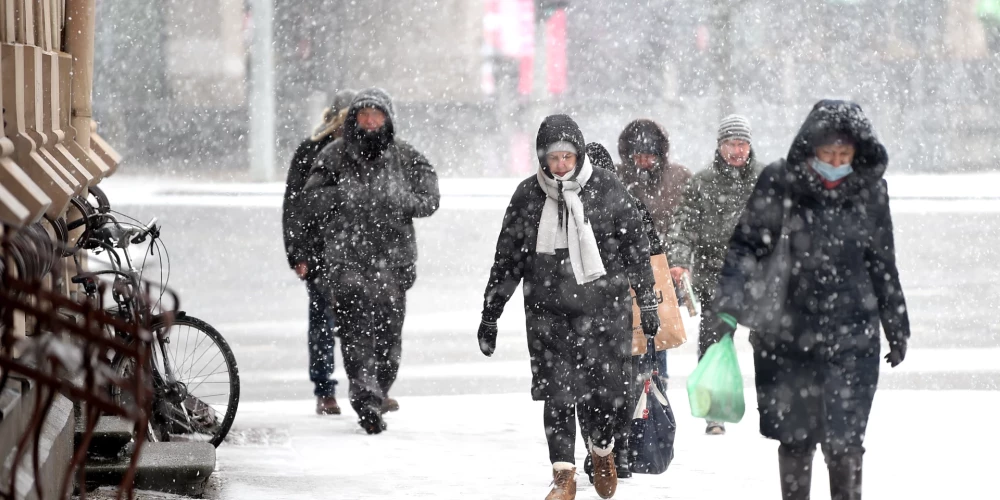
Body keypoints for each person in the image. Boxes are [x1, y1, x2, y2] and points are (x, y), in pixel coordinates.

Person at [709, 100, 910, 500]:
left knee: (845, 441)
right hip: (788, 333)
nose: (835, 163)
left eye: (844, 155)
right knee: (796, 439)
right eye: (827, 154)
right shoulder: (779, 182)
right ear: (810, 148)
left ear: (858, 153)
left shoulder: (870, 191)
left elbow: (882, 260)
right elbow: (745, 247)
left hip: (852, 335)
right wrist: (728, 306)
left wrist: (896, 323)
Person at [476, 115, 659, 500]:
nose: (561, 165)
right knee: (558, 396)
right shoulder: (528, 196)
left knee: (606, 396)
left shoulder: (607, 189)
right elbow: (507, 259)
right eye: (553, 157)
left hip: (604, 314)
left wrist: (647, 302)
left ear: (578, 153)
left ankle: (603, 450)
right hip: (548, 314)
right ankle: (563, 476)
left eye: (567, 156)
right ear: (542, 158)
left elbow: (637, 252)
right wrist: (490, 314)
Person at [303, 88, 440, 434]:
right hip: (347, 261)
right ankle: (364, 397)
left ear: (388, 119)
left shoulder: (406, 156)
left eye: (376, 116)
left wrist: (400, 200)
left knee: (388, 335)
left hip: (392, 263)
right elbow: (311, 198)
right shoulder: (334, 156)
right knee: (354, 333)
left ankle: (379, 390)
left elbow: (430, 198)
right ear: (353, 119)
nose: (369, 122)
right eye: (363, 115)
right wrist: (343, 197)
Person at [666, 114, 763, 435]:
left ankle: (771, 405)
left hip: (758, 278)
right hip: (715, 279)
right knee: (714, 342)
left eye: (742, 143)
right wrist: (680, 261)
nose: (737, 150)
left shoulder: (764, 180)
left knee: (769, 342)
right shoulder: (703, 183)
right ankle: (715, 411)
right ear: (720, 146)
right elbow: (683, 227)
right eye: (731, 144)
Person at [582, 142, 663, 481]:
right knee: (622, 378)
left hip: (587, 309)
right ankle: (622, 450)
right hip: (619, 306)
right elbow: (653, 249)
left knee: (588, 384)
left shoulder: (575, 207)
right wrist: (646, 299)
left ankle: (598, 448)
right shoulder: (627, 202)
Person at [282, 88, 356, 415]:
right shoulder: (311, 150)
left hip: (356, 250)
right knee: (324, 320)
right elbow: (295, 206)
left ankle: (363, 386)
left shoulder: (365, 151)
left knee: (358, 322)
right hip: (321, 251)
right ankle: (325, 390)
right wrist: (298, 253)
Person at [614, 119, 691, 390]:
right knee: (632, 323)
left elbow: (687, 221)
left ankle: (657, 380)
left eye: (650, 155)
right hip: (628, 266)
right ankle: (637, 379)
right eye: (639, 156)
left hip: (664, 268)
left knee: (659, 323)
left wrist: (679, 261)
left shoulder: (679, 178)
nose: (644, 161)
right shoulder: (616, 177)